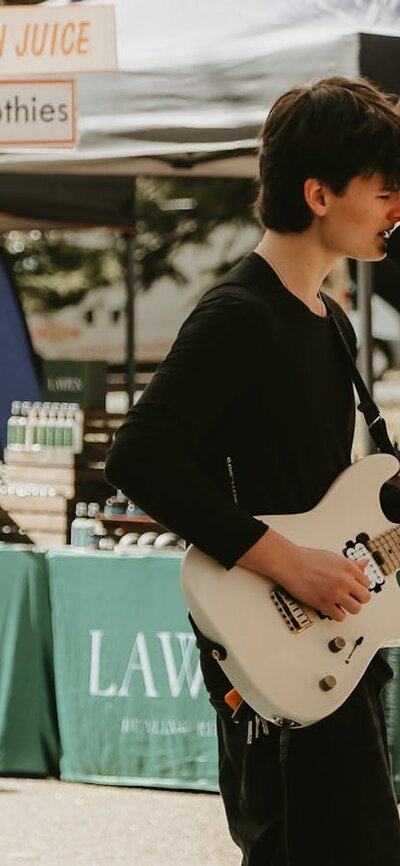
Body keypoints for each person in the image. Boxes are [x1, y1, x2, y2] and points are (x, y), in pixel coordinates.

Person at [105, 76, 400, 866]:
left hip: (337, 640)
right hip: (271, 642)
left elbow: (322, 490)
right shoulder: (239, 315)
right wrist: (289, 563)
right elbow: (138, 456)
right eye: (384, 190)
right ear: (318, 194)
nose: (397, 209)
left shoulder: (330, 322)